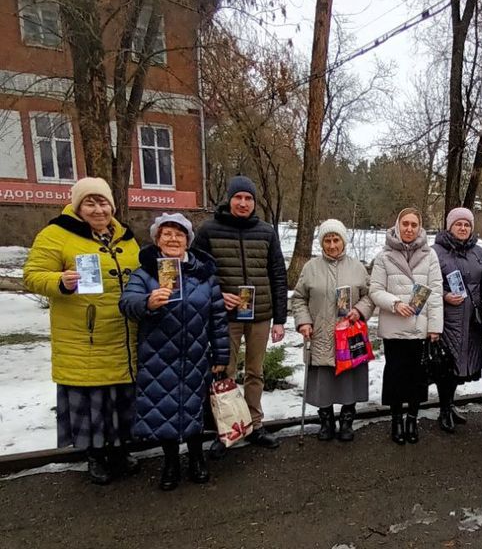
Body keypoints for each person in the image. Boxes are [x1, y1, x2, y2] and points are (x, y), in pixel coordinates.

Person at [23, 177, 140, 485]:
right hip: (85, 336)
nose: (98, 209)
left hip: (124, 333)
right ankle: (95, 455)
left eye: (103, 203)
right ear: (77, 206)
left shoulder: (125, 237)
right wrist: (60, 281)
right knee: (93, 400)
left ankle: (120, 449)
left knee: (120, 396)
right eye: (90, 203)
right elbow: (32, 275)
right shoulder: (57, 234)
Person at [119, 214, 229, 490]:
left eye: (179, 234)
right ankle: (170, 462)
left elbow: (217, 317)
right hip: (158, 356)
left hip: (195, 355)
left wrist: (221, 355)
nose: (173, 239)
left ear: (188, 241)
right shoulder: (145, 273)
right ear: (157, 239)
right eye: (166, 234)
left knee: (195, 407)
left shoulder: (204, 276)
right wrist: (148, 302)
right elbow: (127, 303)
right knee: (163, 408)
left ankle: (196, 456)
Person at [193, 175, 288, 453]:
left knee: (255, 373)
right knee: (225, 372)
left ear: (254, 202)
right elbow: (196, 272)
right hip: (226, 316)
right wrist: (217, 295)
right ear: (229, 199)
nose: (243, 203)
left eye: (248, 198)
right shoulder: (209, 230)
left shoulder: (266, 232)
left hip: (260, 315)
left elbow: (278, 275)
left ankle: (255, 425)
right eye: (238, 197)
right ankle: (227, 429)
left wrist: (280, 319)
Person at [292, 219, 374, 441]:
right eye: (327, 240)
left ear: (343, 241)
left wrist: (359, 310)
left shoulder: (357, 268)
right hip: (320, 333)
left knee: (350, 379)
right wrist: (304, 322)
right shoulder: (310, 268)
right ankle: (326, 421)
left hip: (349, 334)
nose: (332, 245)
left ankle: (347, 421)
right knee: (324, 382)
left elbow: (370, 296)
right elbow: (298, 298)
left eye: (336, 239)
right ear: (321, 243)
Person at [370, 207, 443, 445]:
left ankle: (412, 418)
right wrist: (395, 303)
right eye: (405, 224)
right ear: (397, 225)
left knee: (417, 377)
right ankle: (396, 420)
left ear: (419, 228)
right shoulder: (384, 256)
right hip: (394, 327)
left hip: (419, 328)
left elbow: (435, 292)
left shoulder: (430, 255)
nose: (409, 229)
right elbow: (375, 290)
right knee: (395, 375)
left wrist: (435, 327)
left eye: (414, 224)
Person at [432, 207, 482, 432]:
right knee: (447, 365)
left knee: (462, 366)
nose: (463, 228)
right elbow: (426, 284)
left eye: (467, 224)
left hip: (471, 318)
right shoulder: (435, 252)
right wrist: (445, 295)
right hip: (447, 318)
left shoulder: (478, 252)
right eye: (458, 224)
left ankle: (451, 404)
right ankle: (444, 409)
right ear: (449, 227)